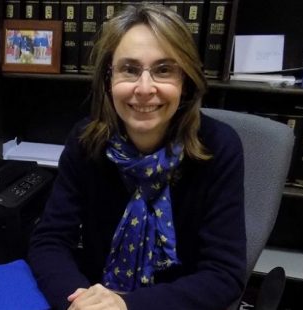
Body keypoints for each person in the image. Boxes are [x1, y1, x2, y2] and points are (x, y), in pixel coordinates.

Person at [27, 4, 246, 310]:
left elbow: (224, 274)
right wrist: (80, 302)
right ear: (108, 79)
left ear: (186, 81)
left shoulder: (219, 147)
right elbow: (49, 241)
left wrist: (126, 306)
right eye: (129, 69)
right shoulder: (85, 141)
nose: (144, 89)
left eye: (164, 70)